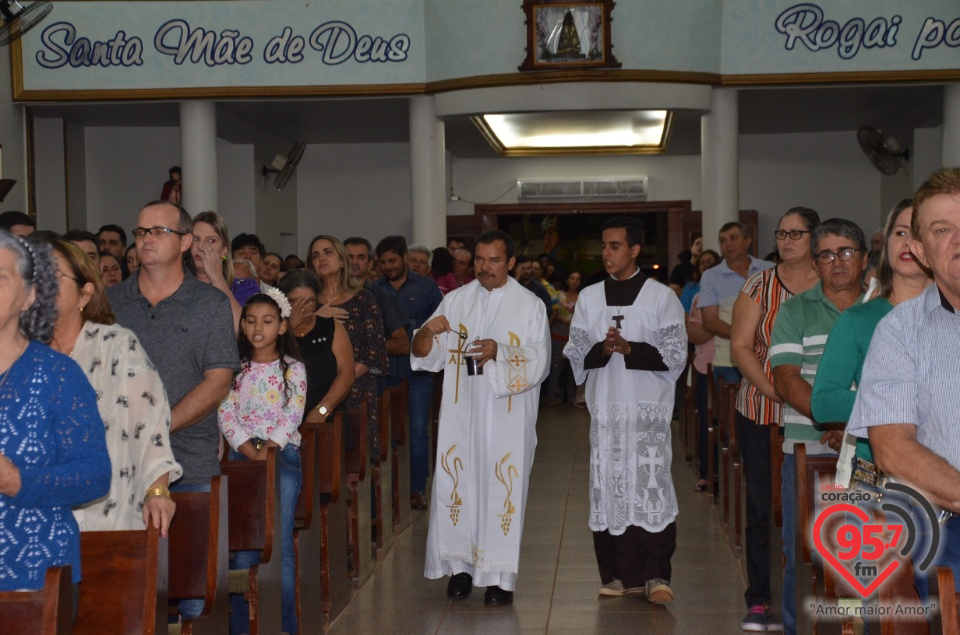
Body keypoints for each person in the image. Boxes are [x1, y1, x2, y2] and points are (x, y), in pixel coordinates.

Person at [108, 200, 239, 620]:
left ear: (184, 242)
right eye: (141, 231)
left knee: (195, 595)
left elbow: (219, 380)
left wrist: (159, 426)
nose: (146, 239)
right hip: (121, 470)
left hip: (190, 465)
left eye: (157, 231)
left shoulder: (210, 304)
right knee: (128, 596)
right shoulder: (112, 302)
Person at [412, 229, 550, 607]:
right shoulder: (454, 301)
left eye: (494, 260)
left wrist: (500, 351)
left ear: (511, 264)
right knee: (460, 485)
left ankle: (500, 580)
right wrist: (425, 331)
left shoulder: (530, 306)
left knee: (501, 488)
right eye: (479, 259)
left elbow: (540, 360)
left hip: (508, 414)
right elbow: (424, 355)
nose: (485, 267)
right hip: (461, 413)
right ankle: (459, 570)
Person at [564, 217, 687, 603]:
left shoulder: (661, 297)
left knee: (650, 484)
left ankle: (656, 576)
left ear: (635, 250)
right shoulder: (589, 297)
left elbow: (676, 353)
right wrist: (603, 348)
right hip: (607, 410)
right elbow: (574, 351)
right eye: (604, 245)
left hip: (646, 409)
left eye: (615, 246)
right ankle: (618, 575)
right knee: (609, 485)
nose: (607, 253)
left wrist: (632, 349)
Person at [847, 168, 960, 589]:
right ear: (920, 250)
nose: (958, 240)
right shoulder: (899, 331)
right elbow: (892, 448)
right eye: (942, 229)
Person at [770, 217, 867, 635]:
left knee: (867, 550)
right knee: (802, 550)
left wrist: (856, 429)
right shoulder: (795, 311)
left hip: (875, 449)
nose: (837, 262)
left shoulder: (885, 308)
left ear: (864, 258)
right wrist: (832, 419)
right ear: (816, 263)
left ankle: (857, 627)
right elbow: (788, 379)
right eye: (826, 255)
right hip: (810, 446)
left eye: (845, 252)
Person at [0, 231, 111, 592]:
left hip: (35, 576)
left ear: (29, 295)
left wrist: (19, 481)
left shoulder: (57, 375)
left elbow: (94, 475)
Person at [48, 239, 181, 534]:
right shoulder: (19, 352)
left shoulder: (116, 345)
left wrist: (157, 492)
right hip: (40, 514)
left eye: (53, 277)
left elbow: (149, 423)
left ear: (85, 293)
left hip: (109, 508)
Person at [728, 207, 820, 631]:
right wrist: (776, 392)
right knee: (764, 504)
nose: (786, 241)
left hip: (822, 414)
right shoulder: (759, 284)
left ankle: (820, 589)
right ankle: (760, 598)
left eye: (796, 234)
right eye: (782, 233)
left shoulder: (833, 282)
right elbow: (741, 347)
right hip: (763, 408)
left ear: (815, 238)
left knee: (818, 505)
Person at [219, 289, 306, 635]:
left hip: (281, 453)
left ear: (282, 327)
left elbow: (294, 411)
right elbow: (224, 411)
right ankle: (242, 628)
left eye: (268, 321)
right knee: (242, 546)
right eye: (250, 321)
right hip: (241, 455)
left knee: (280, 541)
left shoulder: (292, 369)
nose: (258, 328)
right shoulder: (233, 368)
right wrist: (248, 449)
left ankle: (285, 626)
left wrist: (269, 448)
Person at [373, 235, 444, 510]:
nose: (388, 267)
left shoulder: (427, 289)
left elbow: (438, 330)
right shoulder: (373, 289)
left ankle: (417, 488)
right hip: (384, 372)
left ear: (404, 257)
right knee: (383, 432)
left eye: (392, 261)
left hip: (418, 375)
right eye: (382, 263)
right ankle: (387, 490)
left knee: (416, 431)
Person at [308, 234, 388, 459]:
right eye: (316, 255)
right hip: (313, 391)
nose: (321, 258)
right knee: (318, 460)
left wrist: (341, 382)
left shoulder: (363, 299)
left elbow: (373, 352)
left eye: (327, 252)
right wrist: (315, 316)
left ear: (342, 261)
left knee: (354, 460)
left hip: (355, 390)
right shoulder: (306, 303)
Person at [699, 222, 774, 387]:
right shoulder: (711, 276)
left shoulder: (770, 270)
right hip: (729, 362)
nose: (728, 244)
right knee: (732, 413)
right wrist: (748, 338)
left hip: (770, 358)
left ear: (747, 241)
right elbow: (710, 321)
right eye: (723, 241)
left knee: (768, 411)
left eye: (733, 238)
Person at [343, 236, 410, 360]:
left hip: (373, 374)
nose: (354, 262)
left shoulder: (382, 298)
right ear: (341, 261)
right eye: (350, 257)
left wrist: (362, 346)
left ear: (370, 264)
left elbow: (403, 345)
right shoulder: (327, 295)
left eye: (361, 257)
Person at [191, 211, 249, 333]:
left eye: (211, 241)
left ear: (224, 250)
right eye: (195, 239)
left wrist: (216, 278)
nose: (200, 247)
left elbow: (242, 331)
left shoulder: (243, 287)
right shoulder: (175, 285)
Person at [545, 270, 581, 406]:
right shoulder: (558, 295)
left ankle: (573, 397)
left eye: (577, 279)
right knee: (556, 366)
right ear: (567, 280)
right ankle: (551, 396)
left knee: (574, 368)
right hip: (557, 334)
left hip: (573, 337)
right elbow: (554, 314)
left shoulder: (581, 298)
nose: (574, 281)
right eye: (572, 278)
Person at [678, 249, 719, 315]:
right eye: (702, 263)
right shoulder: (691, 287)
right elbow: (684, 313)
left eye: (710, 262)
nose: (705, 264)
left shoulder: (724, 284)